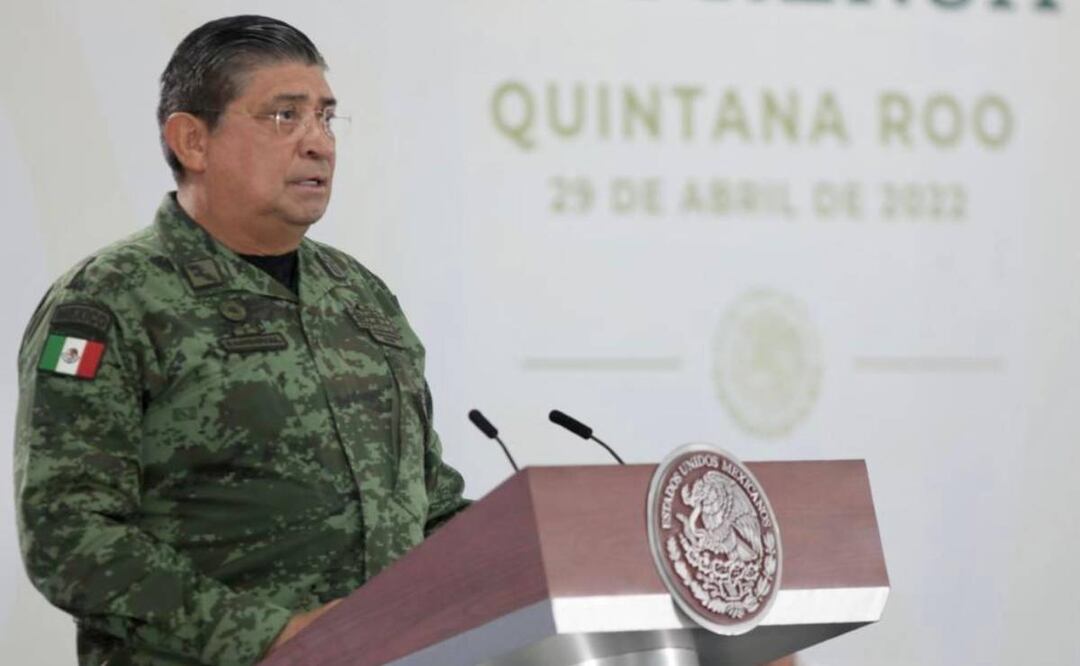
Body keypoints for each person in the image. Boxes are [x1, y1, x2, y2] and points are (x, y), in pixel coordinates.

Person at [14, 15, 468, 666]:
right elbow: (68, 535)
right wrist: (268, 636)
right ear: (192, 141)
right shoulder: (109, 302)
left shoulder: (358, 295)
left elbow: (428, 502)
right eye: (285, 116)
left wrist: (552, 546)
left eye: (326, 118)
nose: (319, 144)